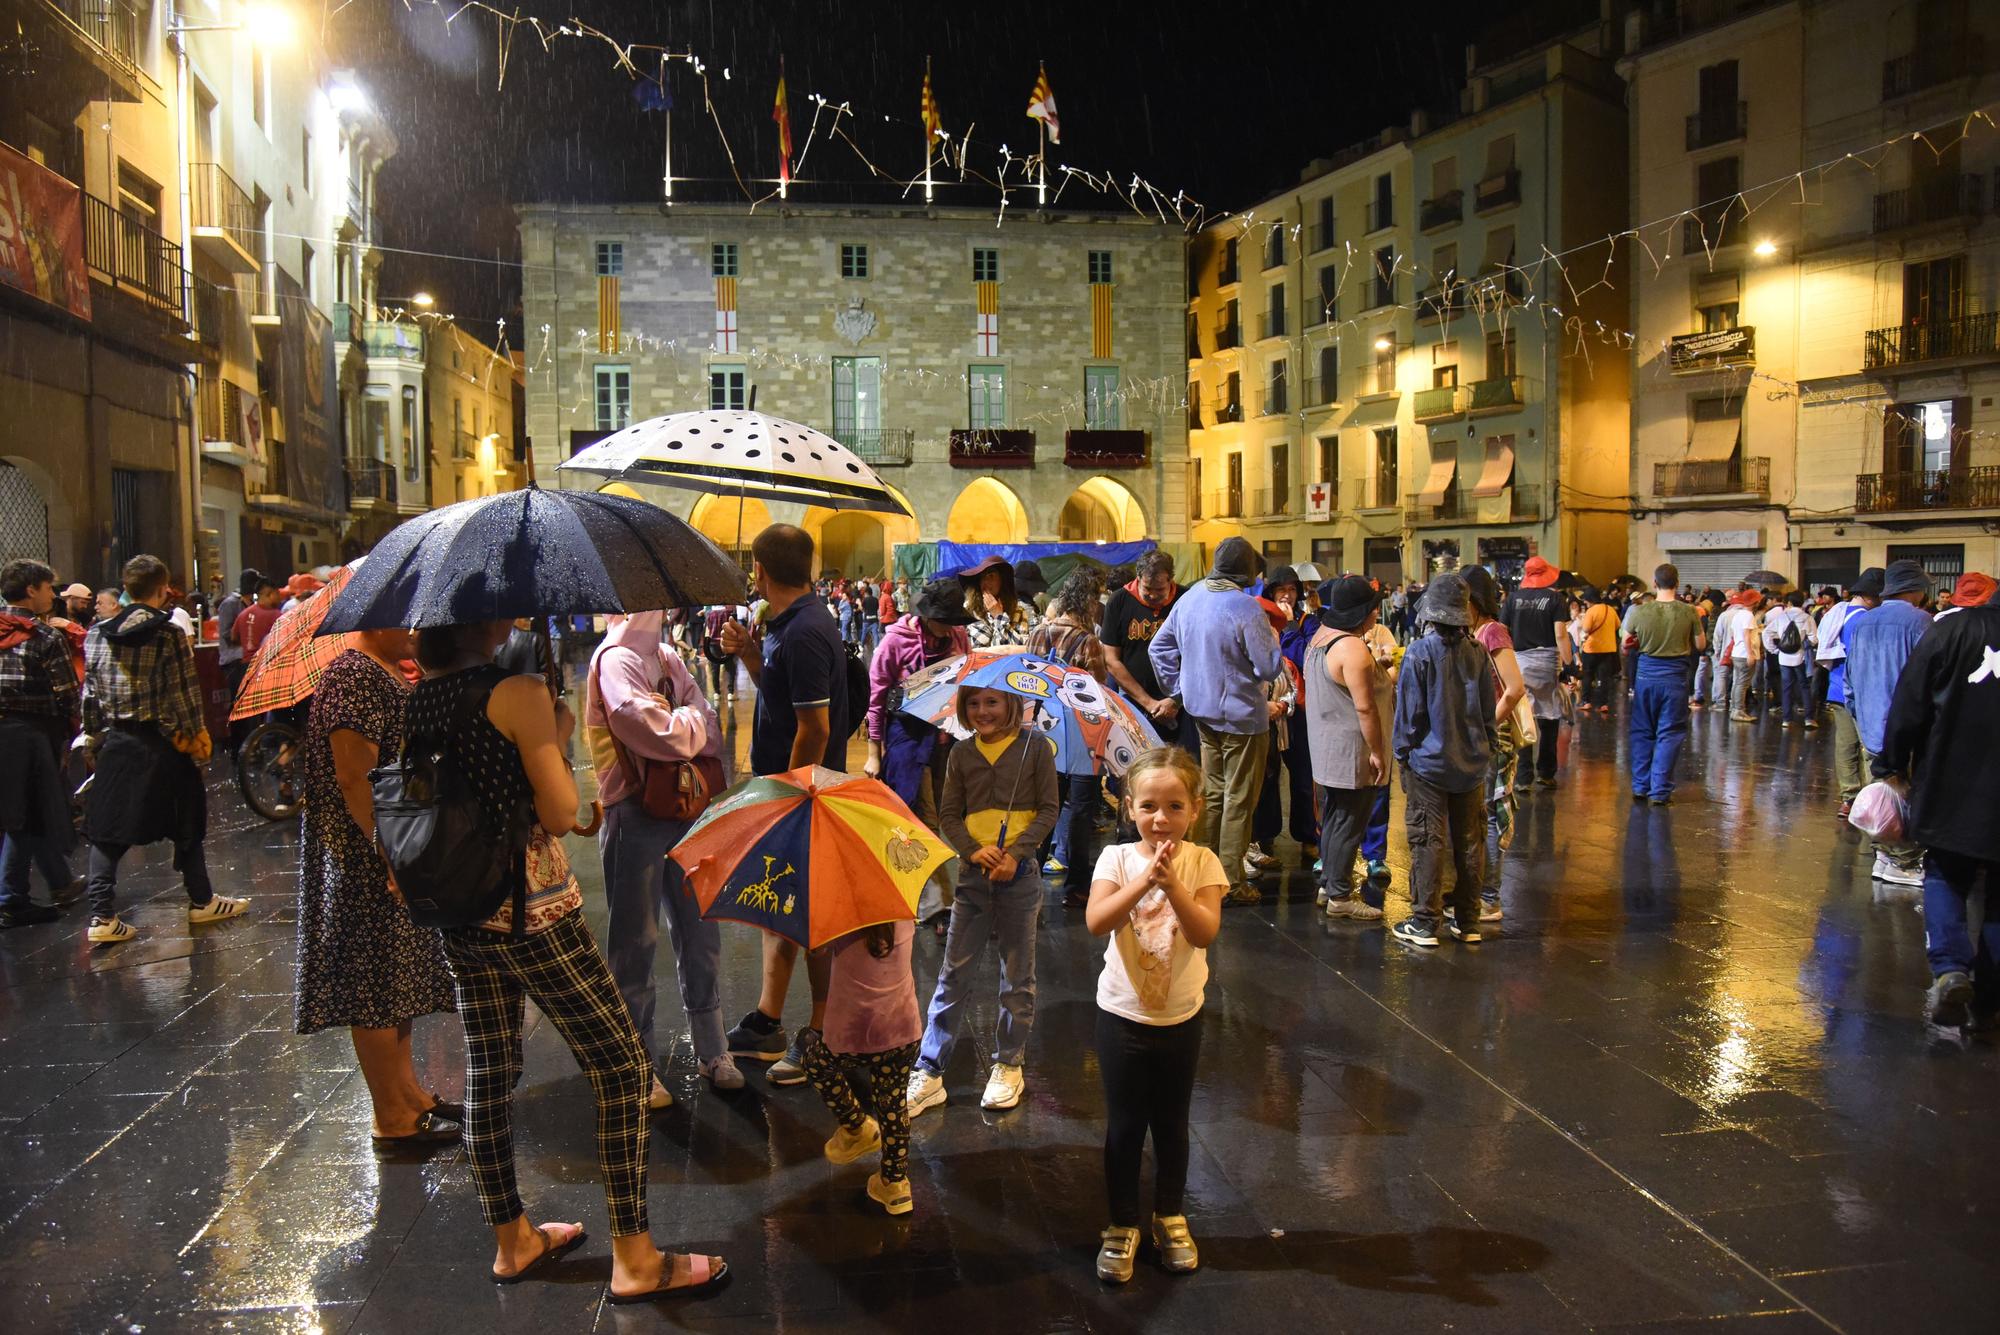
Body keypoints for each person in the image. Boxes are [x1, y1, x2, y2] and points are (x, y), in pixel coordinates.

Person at [406, 619, 727, 1301]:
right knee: (619, 1065)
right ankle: (637, 1256)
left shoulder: (418, 700)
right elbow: (556, 810)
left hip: (458, 909)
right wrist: (546, 731)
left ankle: (512, 1240)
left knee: (489, 1073)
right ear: (481, 623)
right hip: (532, 908)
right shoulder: (514, 692)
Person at [295, 629, 461, 1152]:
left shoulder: (383, 670)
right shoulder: (353, 676)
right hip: (368, 857)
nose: (415, 629)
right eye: (405, 617)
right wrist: (387, 852)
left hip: (395, 844)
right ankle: (390, 1116)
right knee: (371, 985)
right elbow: (354, 776)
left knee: (394, 980)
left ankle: (408, 1093)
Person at [1085, 746, 1227, 1284]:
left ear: (1195, 808)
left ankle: (1170, 1214)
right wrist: (1145, 882)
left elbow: (1204, 932)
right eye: (1148, 806)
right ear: (1128, 808)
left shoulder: (1203, 863)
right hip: (1121, 1017)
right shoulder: (1115, 860)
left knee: (1171, 1124)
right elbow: (1097, 921)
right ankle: (1122, 1225)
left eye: (1174, 806)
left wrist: (1174, 887)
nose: (1160, 818)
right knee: (1124, 1126)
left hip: (1180, 1019)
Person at [585, 610, 741, 1100]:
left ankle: (712, 1047)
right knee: (636, 943)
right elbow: (654, 731)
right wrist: (686, 725)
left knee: (701, 928)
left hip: (686, 807)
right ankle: (636, 1062)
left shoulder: (668, 657)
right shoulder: (614, 660)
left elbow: (708, 726)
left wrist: (682, 723)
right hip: (634, 812)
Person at [717, 525, 851, 1086]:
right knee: (779, 904)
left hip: (803, 792)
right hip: (789, 787)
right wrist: (750, 653)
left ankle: (823, 1035)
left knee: (813, 915)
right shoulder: (787, 625)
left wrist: (792, 793)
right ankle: (769, 1019)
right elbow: (780, 698)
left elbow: (814, 728)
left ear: (761, 573)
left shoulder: (804, 631)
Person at [909, 686, 1060, 1118]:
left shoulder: (1035, 750)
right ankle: (930, 1066)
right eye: (973, 703)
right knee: (953, 973)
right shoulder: (960, 754)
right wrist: (973, 851)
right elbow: (950, 815)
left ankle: (1009, 1063)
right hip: (973, 878)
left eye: (992, 702)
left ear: (1013, 704)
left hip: (1021, 877)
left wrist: (1016, 854)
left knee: (1017, 975)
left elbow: (1049, 809)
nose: (982, 711)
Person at [78, 555, 245, 944]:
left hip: (118, 742)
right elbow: (184, 695)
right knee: (186, 821)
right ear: (161, 589)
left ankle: (102, 915)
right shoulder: (167, 634)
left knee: (106, 830)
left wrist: (92, 737)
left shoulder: (97, 633)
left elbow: (89, 696)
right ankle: (201, 899)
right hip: (163, 743)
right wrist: (197, 739)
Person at [1876, 581, 2000, 1027]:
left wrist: (1891, 762)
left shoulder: (1953, 629)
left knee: (1946, 872)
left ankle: (1950, 968)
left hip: (1952, 780)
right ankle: (1989, 1002)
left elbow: (1910, 699)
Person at [1148, 538, 1283, 906]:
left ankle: (1197, 871)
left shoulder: (1189, 598)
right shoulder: (1245, 606)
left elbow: (1158, 648)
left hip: (1201, 711)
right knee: (1239, 798)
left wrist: (1180, 688)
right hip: (1243, 717)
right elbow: (1269, 667)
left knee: (1210, 794)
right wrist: (1271, 642)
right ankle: (1229, 881)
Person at [1390, 574, 1497, 949]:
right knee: (1471, 842)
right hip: (1472, 763)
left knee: (1427, 839)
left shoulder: (1419, 653)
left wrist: (1401, 753)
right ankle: (1468, 921)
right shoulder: (1478, 652)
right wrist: (1488, 748)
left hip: (1429, 764)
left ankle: (1424, 921)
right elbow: (1488, 712)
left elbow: (1410, 716)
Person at [865, 576, 974, 923]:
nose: (950, 628)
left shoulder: (957, 635)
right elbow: (877, 698)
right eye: (944, 620)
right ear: (926, 615)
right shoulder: (895, 642)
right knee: (923, 818)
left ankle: (914, 890)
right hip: (907, 740)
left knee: (941, 816)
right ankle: (936, 903)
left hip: (947, 739)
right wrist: (873, 751)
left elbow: (965, 679)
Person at [804, 918, 923, 1216]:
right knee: (893, 1102)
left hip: (851, 1038)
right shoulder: (904, 916)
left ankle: (857, 1127)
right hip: (903, 1032)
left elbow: (816, 953)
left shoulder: (837, 922)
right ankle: (895, 1185)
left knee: (815, 1062)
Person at [1843, 559, 1934, 889]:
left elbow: (1850, 678)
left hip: (1869, 724)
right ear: (1915, 590)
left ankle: (1884, 856)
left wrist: (1858, 714)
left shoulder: (1865, 623)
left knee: (1881, 793)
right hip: (1906, 728)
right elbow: (1927, 677)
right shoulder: (1920, 622)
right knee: (1905, 793)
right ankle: (1905, 862)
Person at [1305, 576, 1391, 923]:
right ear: (1365, 612)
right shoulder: (1352, 648)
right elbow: (1365, 708)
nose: (1376, 615)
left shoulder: (1321, 637)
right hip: (1351, 746)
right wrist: (1377, 750)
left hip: (1327, 745)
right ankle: (1340, 894)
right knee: (1350, 819)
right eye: (1373, 608)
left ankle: (1329, 884)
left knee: (1336, 817)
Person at [0, 560, 81, 928]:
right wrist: (71, 735)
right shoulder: (45, 637)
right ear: (31, 590)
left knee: (17, 811)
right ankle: (11, 898)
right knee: (30, 811)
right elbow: (67, 695)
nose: (53, 594)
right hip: (32, 733)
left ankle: (60, 881)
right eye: (49, 587)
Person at [1026, 570, 1110, 908]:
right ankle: (1076, 885)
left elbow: (1026, 679)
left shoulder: (1037, 633)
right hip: (1080, 734)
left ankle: (1028, 877)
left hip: (1044, 730)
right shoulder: (1088, 642)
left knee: (1044, 807)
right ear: (1088, 601)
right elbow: (1098, 689)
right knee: (1079, 809)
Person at [1462, 567, 1526, 923]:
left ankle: (1489, 898)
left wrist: (1489, 725)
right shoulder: (1471, 632)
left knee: (1488, 815)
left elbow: (1514, 688)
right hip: (1476, 734)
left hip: (1492, 737)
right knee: (1477, 814)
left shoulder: (1492, 632)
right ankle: (1479, 892)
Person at [1625, 563, 1706, 806]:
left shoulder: (1640, 611)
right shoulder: (1689, 611)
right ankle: (1659, 791)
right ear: (1677, 583)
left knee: (1642, 731)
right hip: (1675, 677)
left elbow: (1624, 645)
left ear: (1654, 583)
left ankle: (1640, 785)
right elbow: (1701, 645)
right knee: (1669, 733)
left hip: (1646, 676)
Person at [1101, 550, 1189, 750]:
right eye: (1148, 588)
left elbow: (1197, 656)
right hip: (1133, 699)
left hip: (1181, 703)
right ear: (1138, 578)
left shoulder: (1185, 599)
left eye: (1160, 589)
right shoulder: (1119, 601)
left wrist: (1176, 701)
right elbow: (1111, 660)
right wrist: (1148, 702)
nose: (1153, 595)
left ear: (1171, 580)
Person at [1817, 568, 1882, 819]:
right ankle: (1870, 801)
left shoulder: (1839, 612)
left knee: (1845, 746)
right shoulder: (1863, 619)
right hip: (1858, 691)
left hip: (1836, 688)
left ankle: (1849, 798)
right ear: (1871, 595)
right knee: (1868, 747)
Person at [1499, 556, 1570, 788]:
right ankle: (1546, 773)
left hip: (1519, 662)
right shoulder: (1555, 599)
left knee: (1523, 716)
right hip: (1547, 662)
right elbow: (1560, 634)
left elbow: (1503, 631)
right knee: (1549, 716)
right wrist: (1569, 664)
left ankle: (1523, 777)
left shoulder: (1513, 599)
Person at [1761, 590, 1817, 728]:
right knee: (1804, 685)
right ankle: (1809, 718)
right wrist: (1809, 644)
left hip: (1783, 657)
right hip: (1800, 656)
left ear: (1789, 603)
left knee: (1786, 687)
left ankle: (1786, 719)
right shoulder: (1807, 618)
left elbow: (1766, 633)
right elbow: (1814, 639)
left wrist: (1773, 650)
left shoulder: (1781, 617)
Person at [214, 569, 261, 718]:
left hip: (248, 658)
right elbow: (226, 633)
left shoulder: (251, 603)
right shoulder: (230, 604)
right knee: (238, 701)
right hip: (234, 660)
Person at [961, 556, 1035, 648]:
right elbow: (977, 646)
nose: (985, 582)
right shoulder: (969, 610)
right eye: (982, 577)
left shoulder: (1021, 611)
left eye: (991, 576)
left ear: (1002, 581)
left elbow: (1022, 648)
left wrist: (998, 616)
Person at [1713, 589, 1763, 722]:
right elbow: (1746, 635)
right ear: (1754, 602)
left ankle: (1736, 709)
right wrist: (1750, 654)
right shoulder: (1748, 616)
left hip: (1737, 652)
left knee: (1738, 683)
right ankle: (1739, 711)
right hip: (1744, 653)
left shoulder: (1738, 615)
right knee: (1742, 683)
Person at [1575, 589, 1620, 716]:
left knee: (1588, 675)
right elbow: (1617, 625)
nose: (1584, 602)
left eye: (1585, 600)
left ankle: (1586, 702)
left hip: (1592, 648)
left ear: (1590, 600)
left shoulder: (1591, 611)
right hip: (1608, 648)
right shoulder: (1610, 609)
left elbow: (1586, 628)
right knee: (1604, 677)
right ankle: (1603, 704)